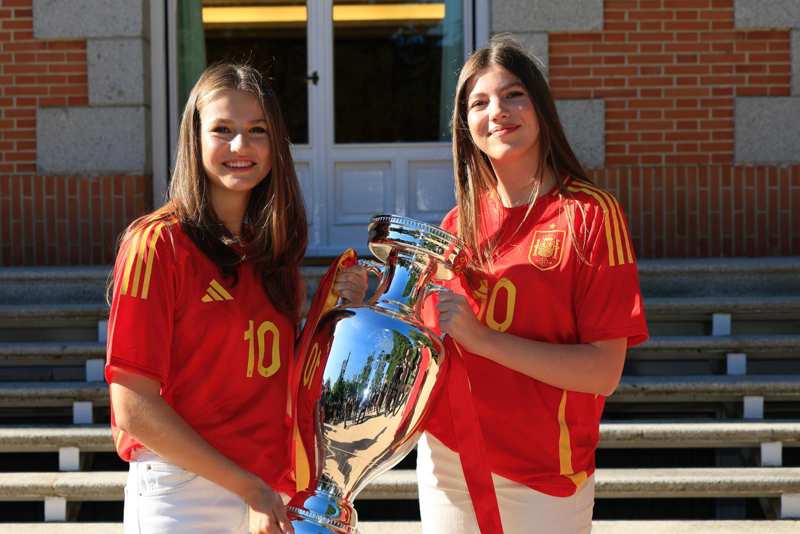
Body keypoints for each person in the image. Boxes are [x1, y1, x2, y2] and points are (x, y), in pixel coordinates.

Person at [105, 63, 364, 534]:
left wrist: (337, 314)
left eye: (257, 131)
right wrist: (248, 487)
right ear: (194, 139)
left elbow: (278, 378)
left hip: (268, 486)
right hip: (183, 491)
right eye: (223, 130)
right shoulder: (156, 244)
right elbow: (133, 406)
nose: (241, 147)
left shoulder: (273, 252)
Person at [416, 37, 649, 534]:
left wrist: (485, 340)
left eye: (513, 95)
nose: (497, 112)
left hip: (542, 477)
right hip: (448, 460)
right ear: (466, 127)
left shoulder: (589, 215)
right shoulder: (457, 225)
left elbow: (603, 372)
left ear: (540, 106)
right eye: (478, 103)